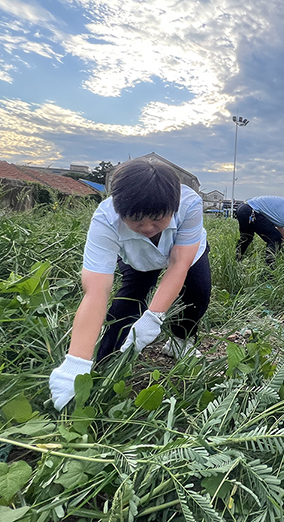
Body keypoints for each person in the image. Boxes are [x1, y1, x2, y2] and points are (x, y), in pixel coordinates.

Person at [49, 157, 210, 410]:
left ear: (173, 207)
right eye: (135, 220)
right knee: (127, 304)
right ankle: (101, 369)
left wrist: (154, 316)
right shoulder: (105, 221)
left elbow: (179, 264)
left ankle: (179, 343)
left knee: (198, 293)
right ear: (119, 208)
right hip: (137, 259)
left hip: (186, 252)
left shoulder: (189, 203)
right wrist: (75, 361)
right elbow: (96, 290)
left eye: (157, 218)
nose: (147, 227)